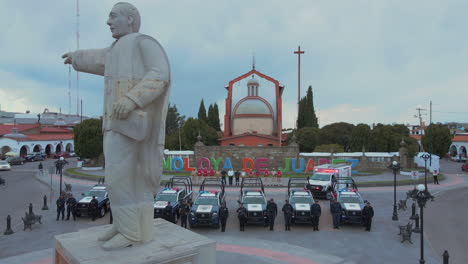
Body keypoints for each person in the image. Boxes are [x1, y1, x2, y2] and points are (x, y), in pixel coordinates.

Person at [62, 2, 171, 249]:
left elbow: (160, 73)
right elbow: (98, 58)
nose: (108, 22)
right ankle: (128, 226)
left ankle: (131, 232)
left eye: (113, 16)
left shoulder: (144, 42)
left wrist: (133, 98)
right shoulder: (116, 49)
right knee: (131, 179)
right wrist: (76, 58)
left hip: (130, 124)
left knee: (117, 178)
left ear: (130, 19)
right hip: (116, 123)